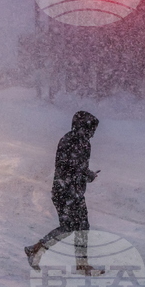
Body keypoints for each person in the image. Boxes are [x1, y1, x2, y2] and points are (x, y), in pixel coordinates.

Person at [25, 110, 104, 276]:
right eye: (90, 130)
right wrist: (86, 175)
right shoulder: (71, 141)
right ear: (81, 127)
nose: (92, 134)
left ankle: (40, 250)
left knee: (78, 226)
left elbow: (76, 168)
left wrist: (86, 175)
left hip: (72, 191)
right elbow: (70, 167)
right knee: (73, 227)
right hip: (65, 191)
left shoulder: (81, 142)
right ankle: (38, 250)